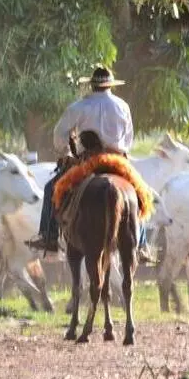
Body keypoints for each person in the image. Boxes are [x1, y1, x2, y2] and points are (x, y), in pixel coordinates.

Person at [26, 66, 142, 254]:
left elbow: (59, 133)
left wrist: (66, 153)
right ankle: (140, 243)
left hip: (87, 163)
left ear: (92, 86)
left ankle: (49, 236)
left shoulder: (79, 106)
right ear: (110, 85)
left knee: (52, 189)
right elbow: (128, 139)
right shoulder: (123, 106)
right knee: (139, 193)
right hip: (116, 161)